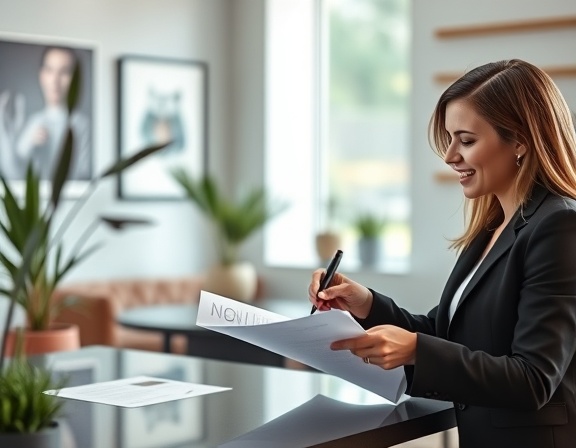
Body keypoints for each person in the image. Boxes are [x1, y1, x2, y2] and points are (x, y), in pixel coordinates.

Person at [308, 59, 576, 448]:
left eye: (466, 140)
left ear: (519, 140)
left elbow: (533, 378)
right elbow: (449, 335)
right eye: (450, 139)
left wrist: (417, 350)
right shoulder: (493, 226)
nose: (450, 156)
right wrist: (364, 304)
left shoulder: (559, 226)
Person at [0, 45, 91, 180]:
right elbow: (15, 174)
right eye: (49, 70)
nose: (55, 80)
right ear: (42, 75)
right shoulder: (33, 122)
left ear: (75, 79)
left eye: (64, 72)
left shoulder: (82, 125)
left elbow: (84, 175)